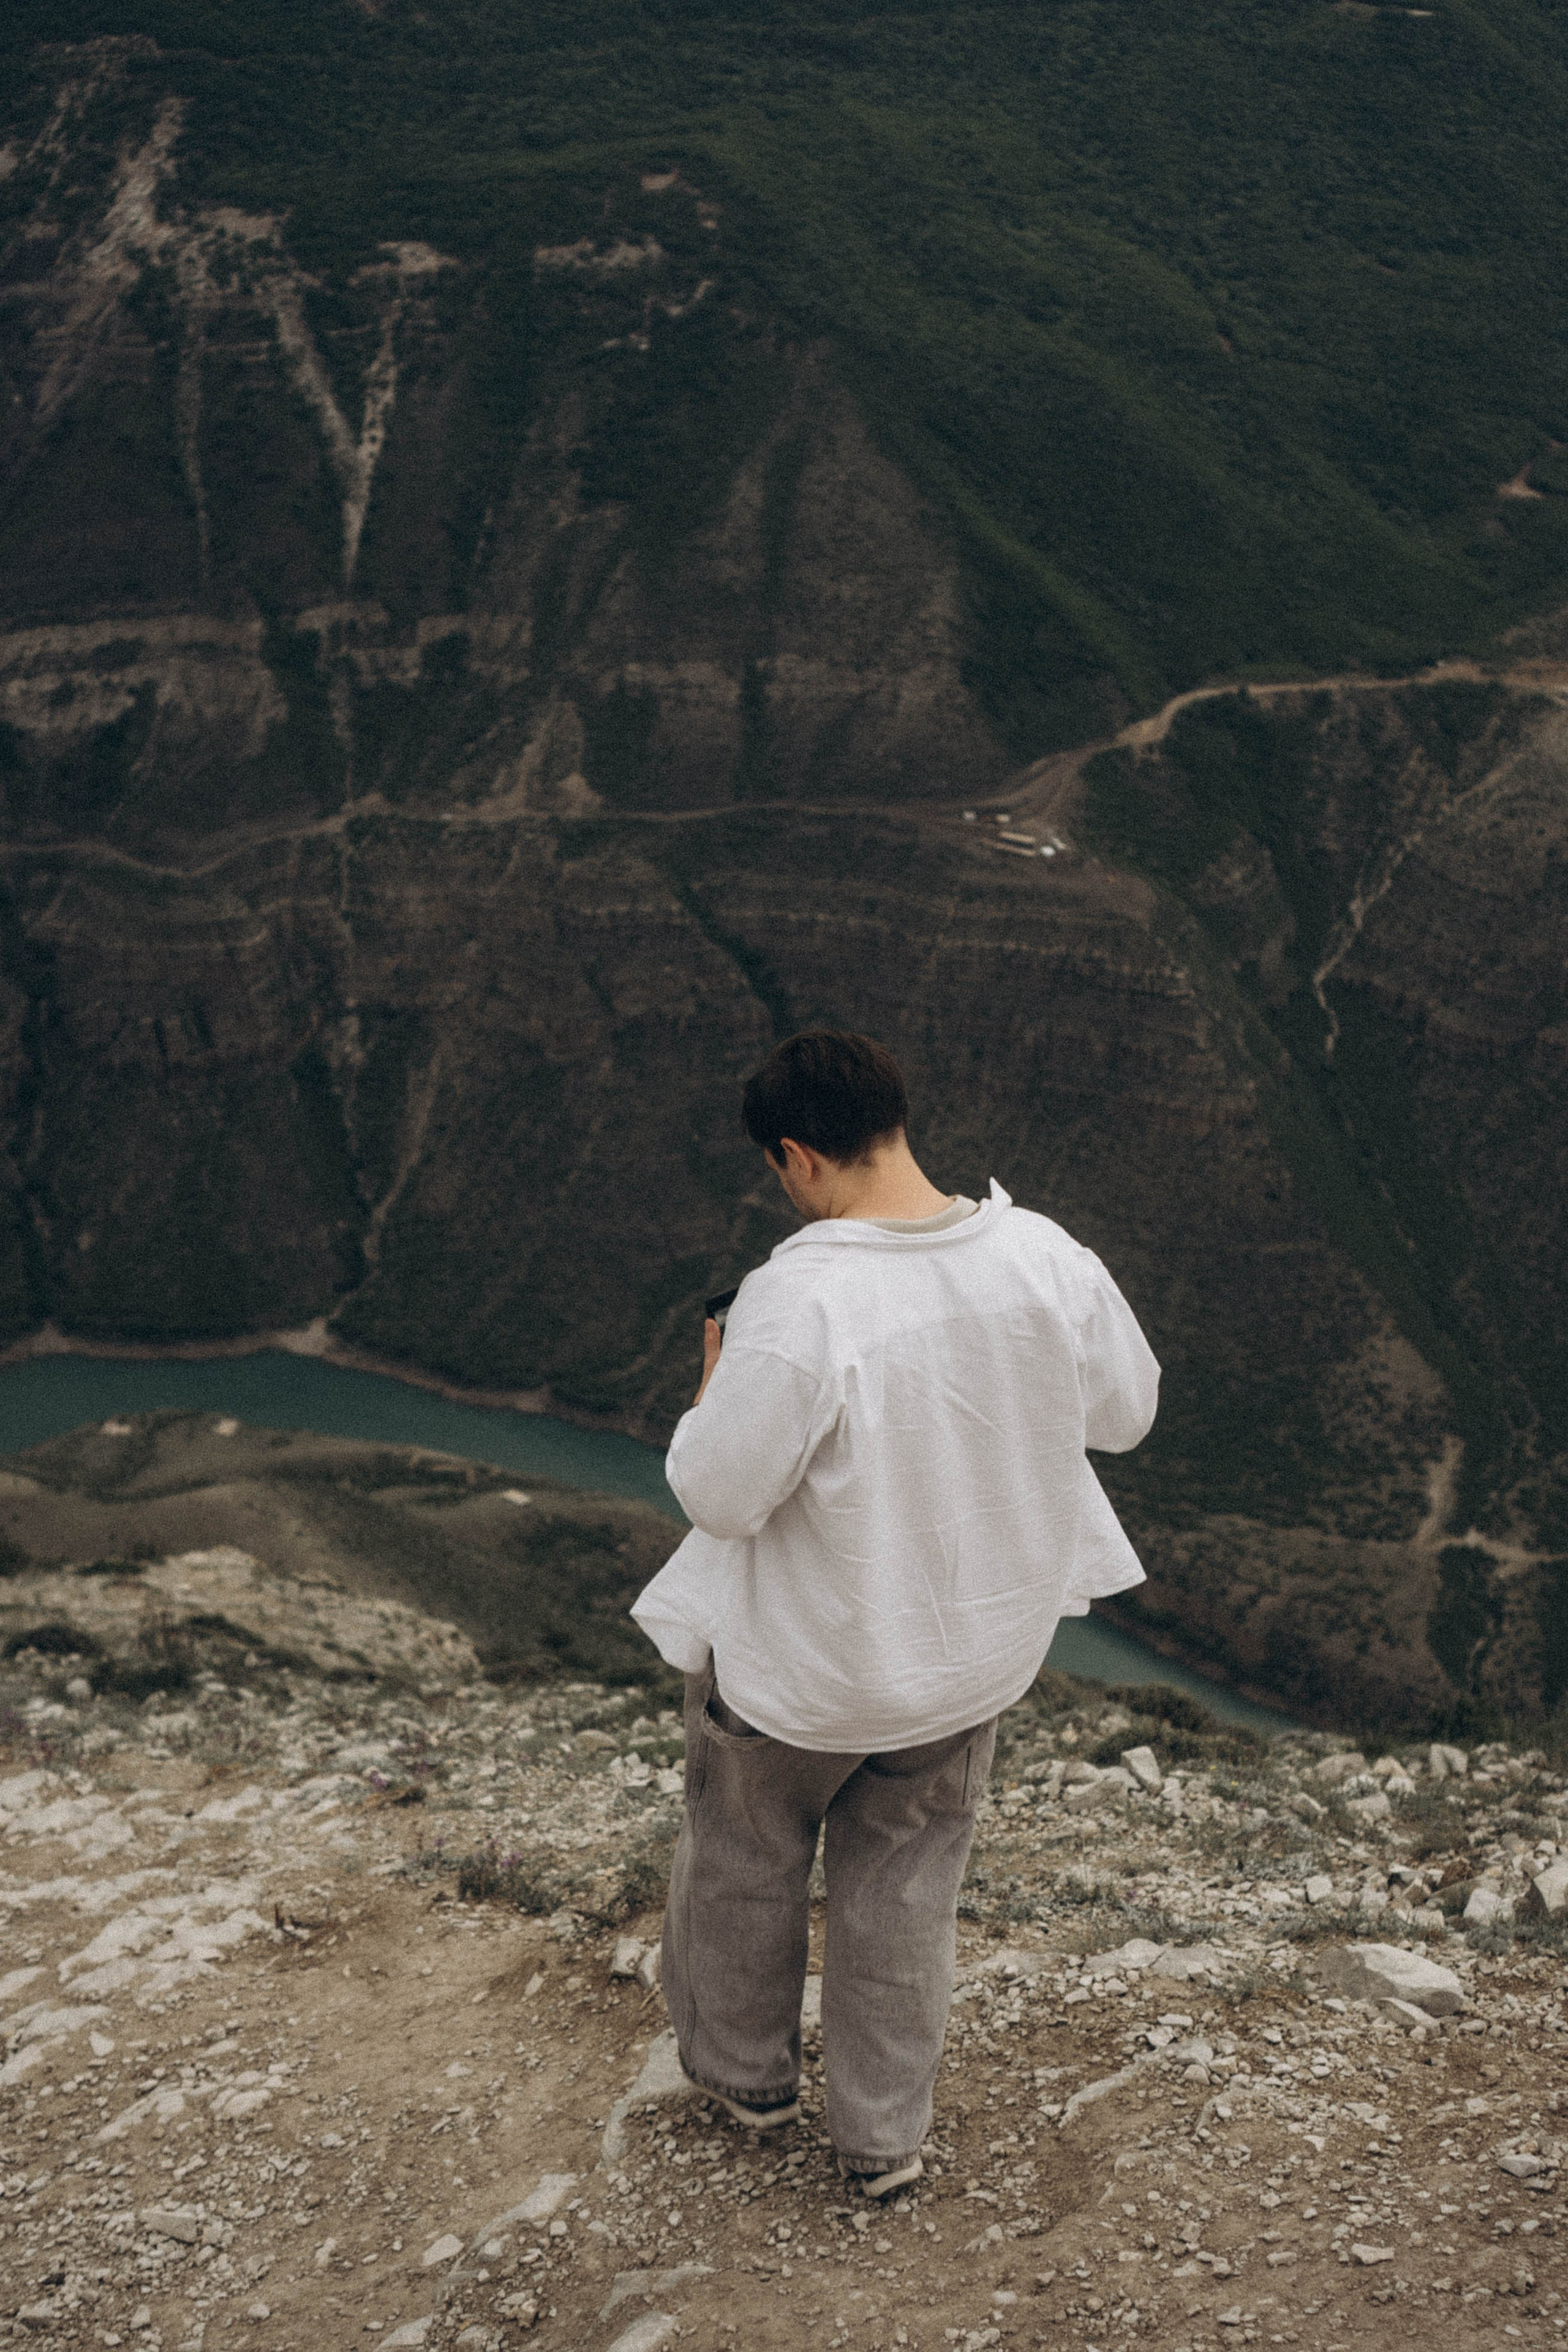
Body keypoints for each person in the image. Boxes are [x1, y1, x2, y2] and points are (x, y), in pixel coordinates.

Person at [631, 1028, 1159, 2196]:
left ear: (797, 1157)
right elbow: (1124, 1416)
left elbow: (720, 1491)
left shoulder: (801, 1294)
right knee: (907, 1887)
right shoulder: (1044, 1255)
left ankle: (744, 2079)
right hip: (970, 1657)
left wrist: (715, 1386)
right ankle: (881, 2140)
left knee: (747, 1855)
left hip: (807, 1670)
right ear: (897, 1120)